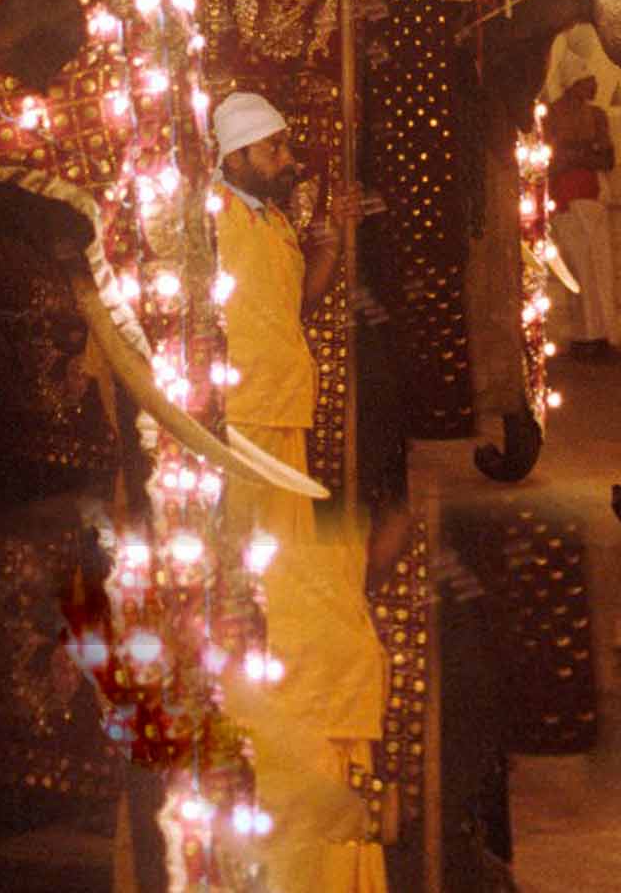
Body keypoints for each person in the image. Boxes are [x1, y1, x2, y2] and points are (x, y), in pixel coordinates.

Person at [210, 90, 388, 893]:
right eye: (275, 150)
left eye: (283, 148)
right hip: (237, 421)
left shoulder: (272, 222)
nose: (287, 161)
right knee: (250, 569)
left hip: (285, 412)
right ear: (238, 154)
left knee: (284, 574)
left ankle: (281, 673)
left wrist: (338, 240)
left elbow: (303, 305)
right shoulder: (210, 217)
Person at [545, 39, 618, 355]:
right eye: (589, 80)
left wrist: (575, 153)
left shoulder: (598, 115)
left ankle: (602, 336)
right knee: (579, 273)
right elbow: (554, 160)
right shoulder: (552, 114)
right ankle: (586, 337)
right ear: (575, 83)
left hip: (593, 197)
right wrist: (586, 151)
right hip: (566, 199)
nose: (596, 84)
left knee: (599, 270)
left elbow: (607, 158)